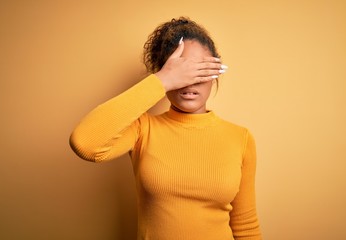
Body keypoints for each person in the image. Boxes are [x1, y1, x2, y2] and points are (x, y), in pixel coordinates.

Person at [70, 17, 262, 240]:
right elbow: (85, 143)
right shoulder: (143, 129)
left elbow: (245, 225)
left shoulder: (241, 138)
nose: (190, 83)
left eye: (199, 70)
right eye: (181, 72)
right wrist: (161, 81)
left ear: (215, 72)